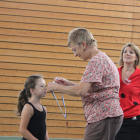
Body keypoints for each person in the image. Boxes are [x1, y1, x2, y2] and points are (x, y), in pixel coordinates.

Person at [47, 27, 123, 140]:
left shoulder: (95, 61)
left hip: (102, 116)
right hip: (108, 115)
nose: (75, 54)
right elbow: (90, 88)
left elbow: (81, 91)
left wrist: (56, 87)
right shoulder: (102, 58)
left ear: (83, 44)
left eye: (74, 50)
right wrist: (67, 83)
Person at [115, 43, 140, 140]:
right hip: (115, 119)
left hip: (133, 120)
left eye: (131, 52)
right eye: (125, 52)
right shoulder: (114, 72)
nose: (127, 54)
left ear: (136, 58)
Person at [16, 74, 49, 140]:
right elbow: (22, 130)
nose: (45, 88)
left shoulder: (44, 109)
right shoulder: (28, 107)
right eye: (42, 86)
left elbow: (44, 129)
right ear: (32, 90)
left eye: (45, 86)